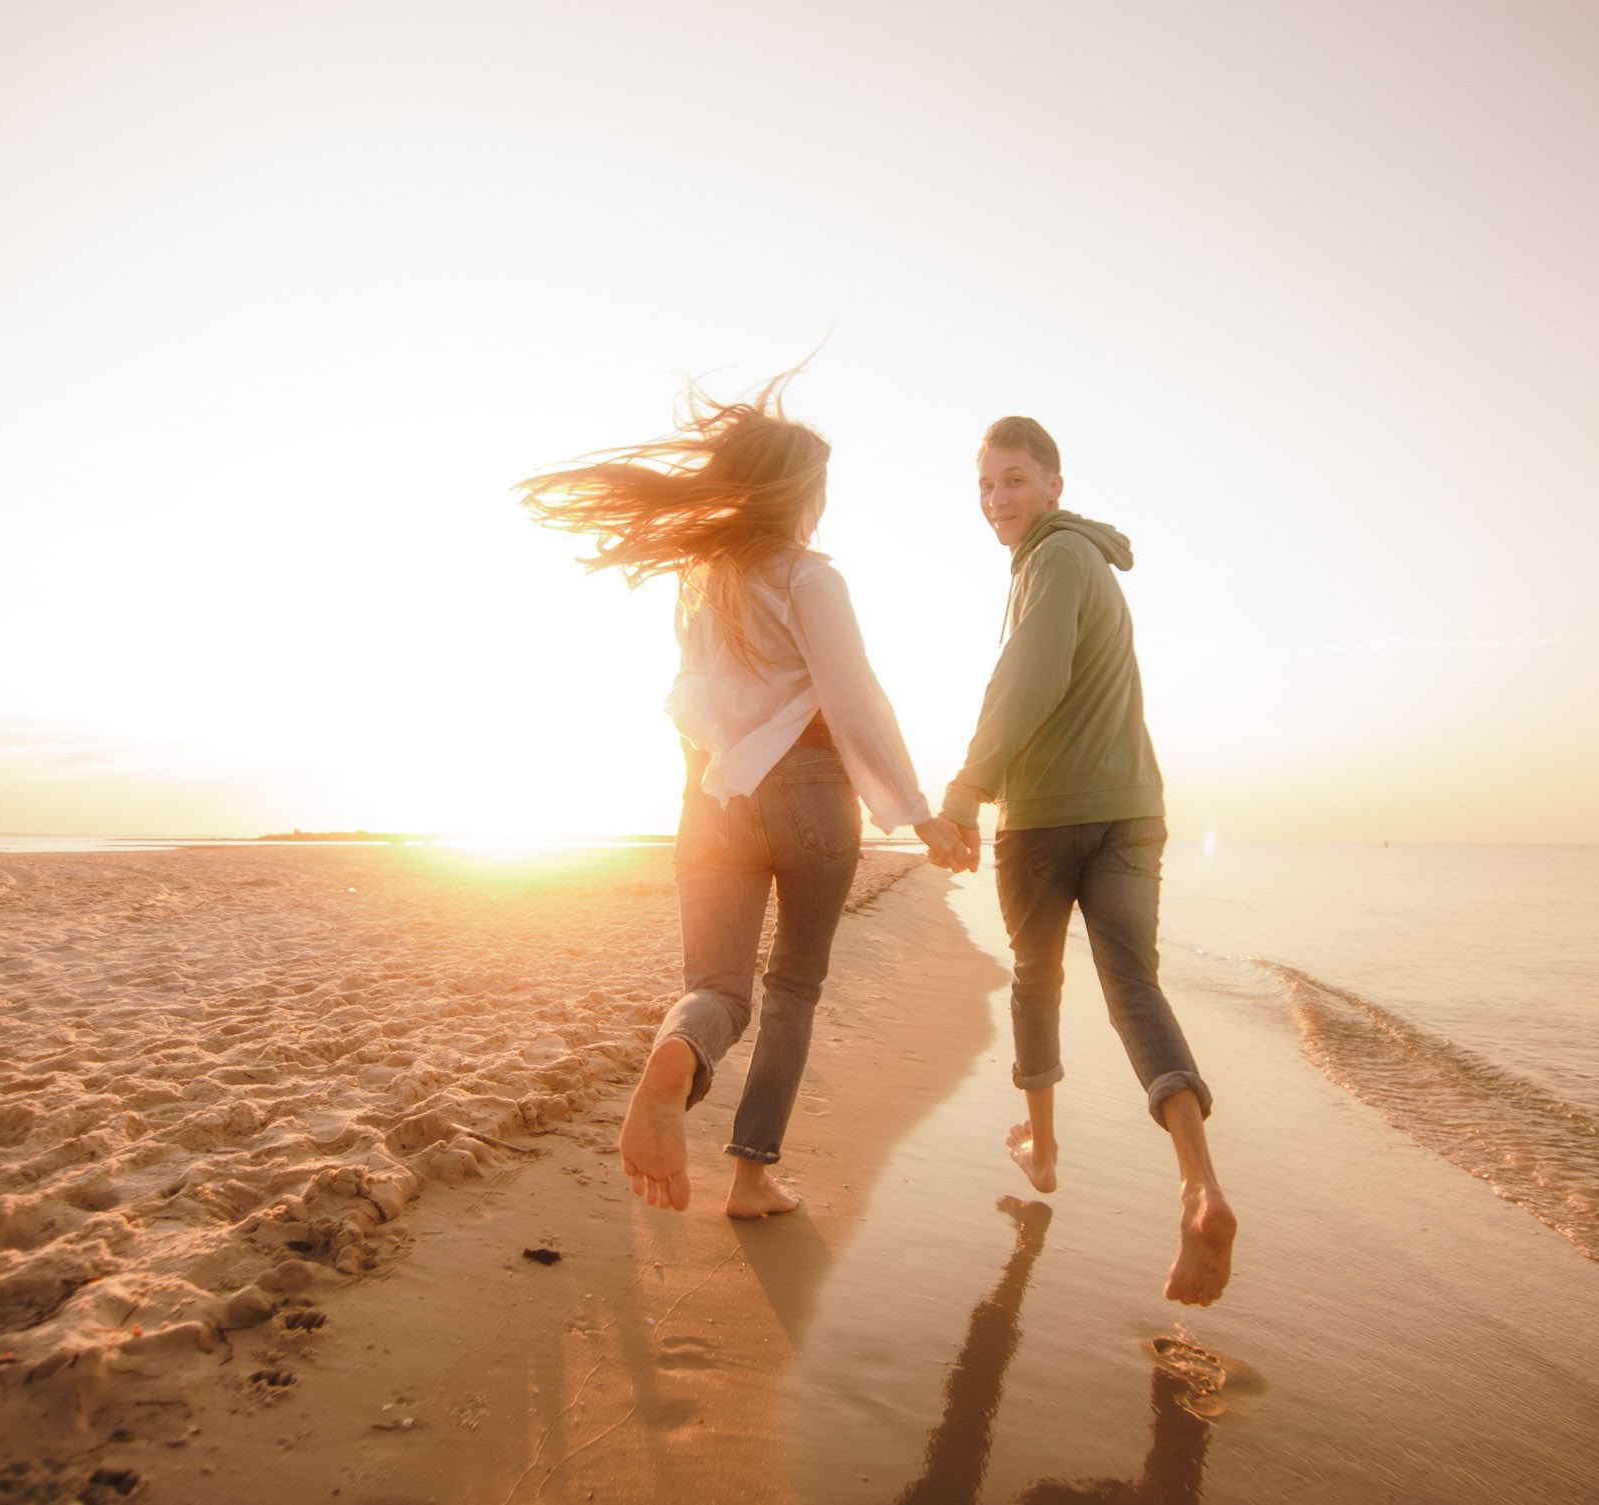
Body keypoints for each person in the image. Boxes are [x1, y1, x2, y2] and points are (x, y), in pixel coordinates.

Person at [517, 374, 966, 1218]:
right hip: (806, 792)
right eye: (819, 489)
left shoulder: (702, 583)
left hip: (712, 794)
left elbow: (693, 699)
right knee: (793, 986)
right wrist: (915, 810)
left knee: (721, 989)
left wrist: (709, 781)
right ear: (798, 492)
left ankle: (679, 1054)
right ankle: (753, 1180)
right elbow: (853, 702)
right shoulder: (809, 577)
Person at [933, 416, 1237, 1305]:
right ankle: (1199, 1183)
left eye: (1015, 480)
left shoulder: (1056, 560)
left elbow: (1025, 680)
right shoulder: (1084, 562)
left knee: (1035, 974)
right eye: (986, 486)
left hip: (1048, 819)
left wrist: (963, 795)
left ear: (1056, 485)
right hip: (1134, 810)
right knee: (1133, 988)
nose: (998, 500)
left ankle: (1045, 1144)